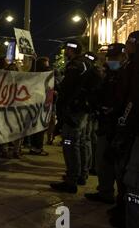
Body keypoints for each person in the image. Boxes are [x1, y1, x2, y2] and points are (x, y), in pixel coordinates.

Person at [84, 43, 125, 205]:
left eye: (114, 57)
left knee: (120, 166)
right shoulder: (109, 74)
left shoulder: (127, 74)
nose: (110, 60)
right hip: (105, 123)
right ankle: (105, 191)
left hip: (119, 125)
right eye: (109, 57)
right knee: (103, 160)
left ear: (123, 57)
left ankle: (122, 200)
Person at [51, 41, 92, 193]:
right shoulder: (87, 63)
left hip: (73, 111)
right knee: (80, 142)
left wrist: (62, 108)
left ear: (71, 50)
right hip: (81, 110)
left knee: (69, 144)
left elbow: (67, 89)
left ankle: (71, 180)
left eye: (66, 50)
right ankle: (81, 174)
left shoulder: (75, 65)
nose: (64, 52)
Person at [114, 31, 139, 228]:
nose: (126, 46)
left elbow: (131, 98)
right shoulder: (130, 65)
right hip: (131, 128)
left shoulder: (135, 67)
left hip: (132, 130)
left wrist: (123, 122)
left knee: (132, 180)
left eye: (130, 43)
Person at [29, 57, 51, 156]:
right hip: (42, 103)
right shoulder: (46, 73)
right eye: (47, 63)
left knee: (35, 126)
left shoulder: (33, 73)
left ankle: (34, 147)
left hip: (34, 102)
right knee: (40, 127)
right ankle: (38, 148)